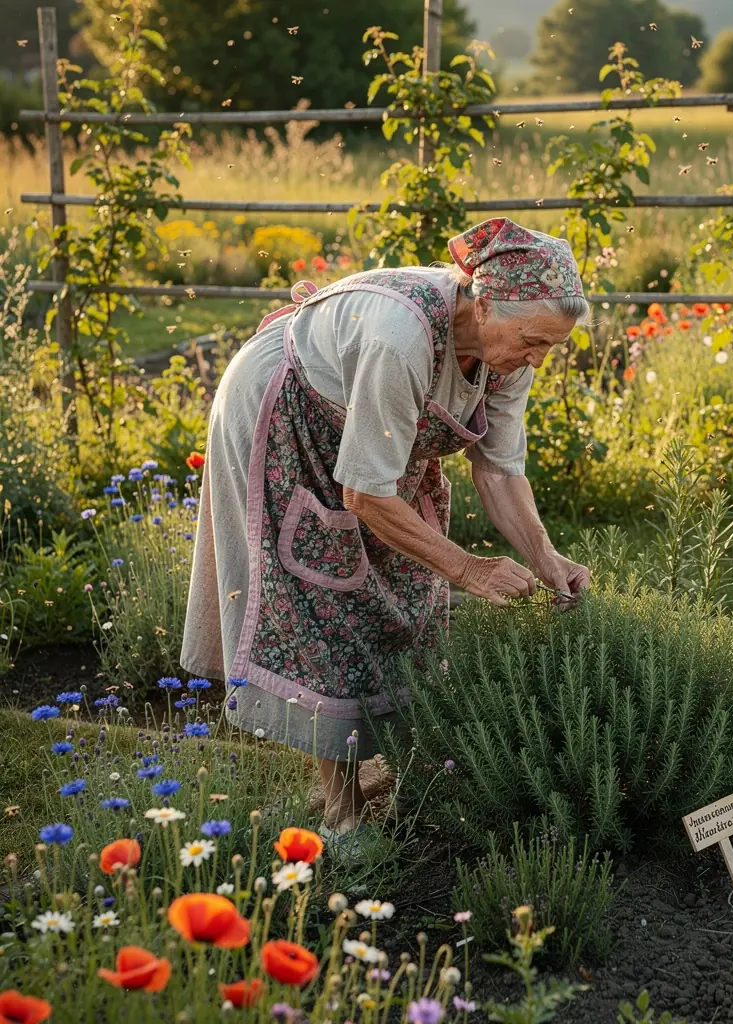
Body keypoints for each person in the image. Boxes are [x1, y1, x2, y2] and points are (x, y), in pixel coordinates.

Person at [179, 217, 593, 857]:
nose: (538, 357)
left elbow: (499, 467)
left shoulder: (507, 349)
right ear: (484, 302)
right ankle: (342, 821)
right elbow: (366, 496)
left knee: (404, 593)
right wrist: (469, 569)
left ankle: (397, 780)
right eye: (534, 340)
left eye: (552, 347)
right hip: (283, 406)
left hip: (358, 429)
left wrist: (544, 557)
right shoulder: (401, 339)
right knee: (327, 600)